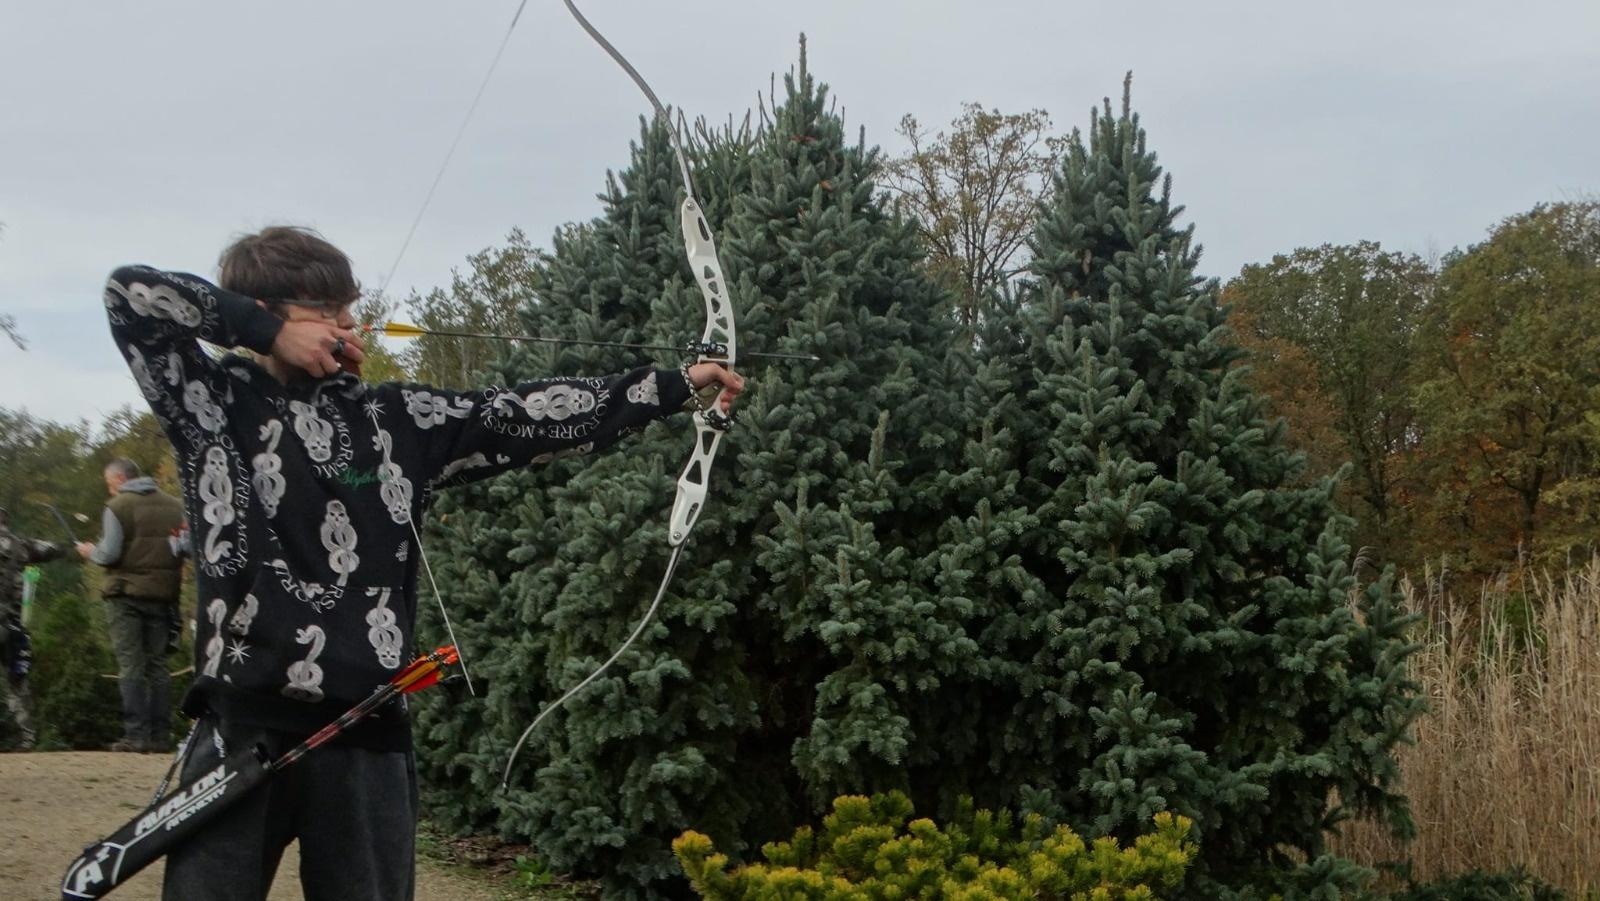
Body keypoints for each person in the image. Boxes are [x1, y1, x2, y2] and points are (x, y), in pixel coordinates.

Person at [100, 225, 743, 901]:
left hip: (365, 732)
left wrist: (674, 386)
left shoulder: (396, 419)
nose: (351, 323)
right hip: (240, 725)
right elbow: (129, 295)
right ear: (266, 308)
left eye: (351, 306)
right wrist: (265, 334)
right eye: (329, 310)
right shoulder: (209, 403)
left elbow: (520, 416)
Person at [77, 458, 186, 753]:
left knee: (131, 664)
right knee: (159, 666)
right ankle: (161, 737)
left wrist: (90, 552)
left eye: (109, 483)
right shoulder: (177, 506)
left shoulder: (118, 507)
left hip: (125, 595)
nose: (109, 489)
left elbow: (109, 554)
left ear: (119, 479)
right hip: (163, 595)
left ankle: (135, 735)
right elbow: (184, 549)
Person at [0, 506, 70, 750]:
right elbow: (49, 549)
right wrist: (68, 546)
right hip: (12, 624)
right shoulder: (20, 545)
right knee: (18, 681)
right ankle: (26, 736)